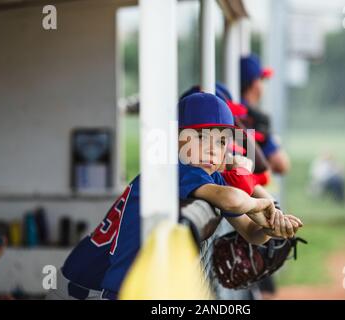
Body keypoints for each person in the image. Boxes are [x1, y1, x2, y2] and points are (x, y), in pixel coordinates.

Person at [47, 93, 302, 300]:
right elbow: (234, 200)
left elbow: (250, 233)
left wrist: (271, 226)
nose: (213, 149)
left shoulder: (210, 175)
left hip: (107, 283)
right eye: (201, 137)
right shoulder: (175, 168)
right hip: (83, 286)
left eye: (222, 142)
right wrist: (262, 205)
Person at [240, 53, 291, 175]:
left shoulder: (230, 108)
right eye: (261, 79)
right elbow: (282, 164)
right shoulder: (250, 116)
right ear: (255, 83)